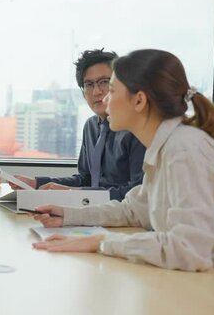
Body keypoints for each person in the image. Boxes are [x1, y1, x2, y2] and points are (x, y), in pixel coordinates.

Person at [32, 49, 214, 273]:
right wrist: (70, 215)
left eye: (110, 89)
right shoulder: (165, 146)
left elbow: (188, 248)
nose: (103, 98)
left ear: (139, 100)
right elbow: (132, 210)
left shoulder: (184, 150)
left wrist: (102, 242)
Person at [12, 49, 145, 201]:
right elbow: (86, 179)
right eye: (89, 84)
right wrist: (36, 183)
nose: (96, 92)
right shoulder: (91, 127)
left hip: (124, 217)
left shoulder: (136, 129)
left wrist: (74, 192)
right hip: (91, 212)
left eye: (104, 82)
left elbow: (137, 193)